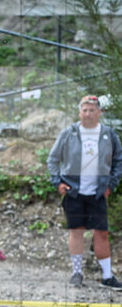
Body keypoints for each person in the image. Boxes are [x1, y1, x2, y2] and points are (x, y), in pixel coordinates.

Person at [47, 94, 122, 289]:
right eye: (84, 110)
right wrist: (58, 183)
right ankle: (77, 273)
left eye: (92, 110)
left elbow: (117, 161)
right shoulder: (69, 133)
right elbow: (53, 159)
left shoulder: (108, 134)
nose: (88, 114)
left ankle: (106, 276)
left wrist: (110, 185)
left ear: (99, 112)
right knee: (76, 232)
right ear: (79, 112)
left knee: (101, 233)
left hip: (97, 192)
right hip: (73, 191)